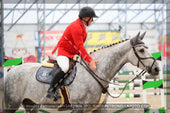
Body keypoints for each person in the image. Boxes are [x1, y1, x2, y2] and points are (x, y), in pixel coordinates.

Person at [46, 6, 99, 98]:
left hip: (73, 53)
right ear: (85, 18)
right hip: (64, 52)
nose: (92, 20)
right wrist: (90, 60)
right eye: (91, 18)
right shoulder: (76, 27)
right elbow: (80, 46)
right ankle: (51, 89)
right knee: (65, 68)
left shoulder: (82, 26)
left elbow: (79, 47)